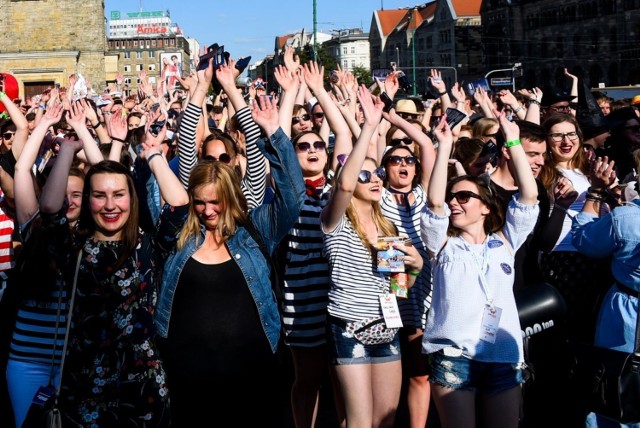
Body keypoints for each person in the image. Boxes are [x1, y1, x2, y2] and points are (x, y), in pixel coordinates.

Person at [153, 58, 305, 426]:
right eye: (200, 202)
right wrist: (200, 89)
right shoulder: (180, 235)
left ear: (231, 197)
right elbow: (187, 150)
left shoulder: (254, 230)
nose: (207, 211)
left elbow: (293, 195)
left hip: (253, 376)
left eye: (215, 202)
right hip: (189, 381)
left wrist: (271, 132)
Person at [38, 108, 189, 426]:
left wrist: (153, 154)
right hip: (86, 389)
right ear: (88, 201)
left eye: (119, 195)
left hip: (143, 388)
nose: (110, 205)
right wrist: (67, 150)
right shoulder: (75, 249)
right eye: (99, 196)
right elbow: (50, 207)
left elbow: (179, 204)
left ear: (131, 200)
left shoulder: (146, 245)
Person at [420, 112, 539, 428]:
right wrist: (443, 145)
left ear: (486, 206)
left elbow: (528, 194)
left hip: (503, 358)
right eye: (452, 197)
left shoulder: (505, 242)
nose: (454, 204)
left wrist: (512, 140)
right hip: (454, 358)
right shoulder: (443, 244)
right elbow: (434, 204)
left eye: (463, 197)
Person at [321, 85, 424, 427]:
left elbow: (397, 290)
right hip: (349, 328)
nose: (376, 178)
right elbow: (346, 185)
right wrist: (368, 127)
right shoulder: (334, 220)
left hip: (386, 328)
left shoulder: (387, 227)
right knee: (360, 422)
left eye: (378, 172)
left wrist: (415, 270)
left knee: (386, 420)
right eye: (366, 174)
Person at [378, 103, 436, 428]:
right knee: (387, 370)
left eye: (407, 159)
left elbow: (426, 145)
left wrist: (395, 117)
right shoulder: (377, 195)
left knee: (419, 370)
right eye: (394, 159)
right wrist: (379, 119)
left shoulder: (424, 194)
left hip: (421, 292)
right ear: (384, 166)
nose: (402, 164)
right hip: (388, 288)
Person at [571, 155, 640, 428]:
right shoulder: (626, 215)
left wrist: (596, 193)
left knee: (617, 387)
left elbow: (584, 239)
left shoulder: (626, 219)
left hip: (627, 315)